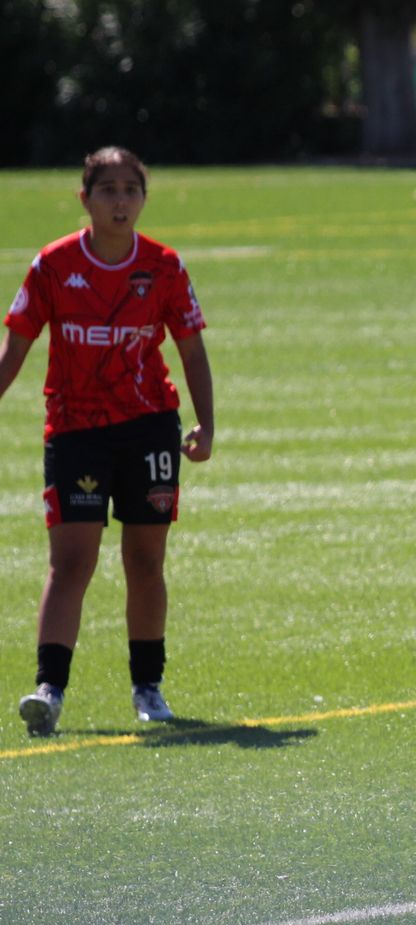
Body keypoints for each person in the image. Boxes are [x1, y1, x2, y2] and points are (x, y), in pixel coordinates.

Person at [1, 146, 216, 737]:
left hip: (149, 428)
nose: (120, 202)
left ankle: (148, 688)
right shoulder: (53, 266)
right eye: (108, 191)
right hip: (75, 431)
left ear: (143, 198)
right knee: (71, 561)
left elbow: (191, 348)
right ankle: (49, 690)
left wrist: (206, 424)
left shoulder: (164, 267)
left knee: (145, 560)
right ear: (85, 199)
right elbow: (15, 345)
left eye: (130, 190)